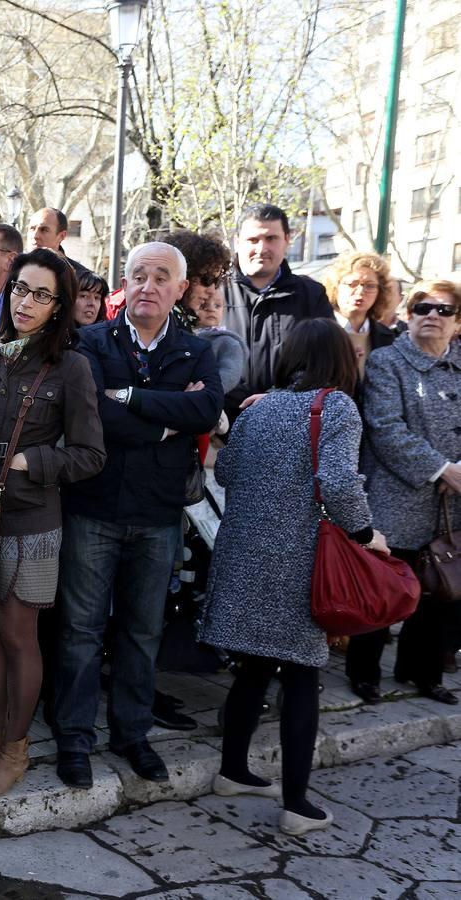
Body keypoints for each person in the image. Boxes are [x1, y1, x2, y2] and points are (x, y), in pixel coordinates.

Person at [199, 319, 386, 836]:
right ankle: (298, 805)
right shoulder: (338, 407)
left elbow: (229, 472)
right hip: (297, 561)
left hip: (243, 555)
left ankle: (233, 772)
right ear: (341, 360)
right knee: (303, 675)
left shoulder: (260, 407)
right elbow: (338, 481)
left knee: (254, 668)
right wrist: (367, 532)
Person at [53, 242, 223, 789]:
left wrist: (127, 398)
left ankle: (132, 733)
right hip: (93, 506)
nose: (148, 285)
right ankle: (74, 737)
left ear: (179, 290)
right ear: (124, 282)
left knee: (142, 630)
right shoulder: (90, 341)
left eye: (161, 277)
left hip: (158, 513)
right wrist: (165, 421)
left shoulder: (195, 351)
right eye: (138, 275)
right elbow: (92, 415)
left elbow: (206, 409)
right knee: (79, 630)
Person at [0, 248, 105, 798]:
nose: (26, 302)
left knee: (17, 633)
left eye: (41, 294)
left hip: (32, 517)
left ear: (59, 307)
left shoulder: (71, 366)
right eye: (20, 289)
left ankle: (16, 747)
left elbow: (90, 455)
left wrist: (33, 462)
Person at [347, 281, 461, 707]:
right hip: (398, 496)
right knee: (383, 589)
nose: (431, 315)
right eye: (421, 307)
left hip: (452, 507)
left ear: (457, 322)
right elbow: (385, 428)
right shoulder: (386, 361)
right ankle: (364, 673)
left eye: (443, 310)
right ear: (408, 314)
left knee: (441, 590)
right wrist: (442, 469)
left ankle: (424, 673)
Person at [222, 204, 333, 410]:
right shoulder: (214, 291)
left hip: (290, 419)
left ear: (287, 240)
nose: (262, 248)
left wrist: (278, 398)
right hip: (222, 424)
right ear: (237, 242)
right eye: (253, 240)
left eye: (271, 239)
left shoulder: (311, 294)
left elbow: (325, 360)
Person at [164, 231, 246, 396]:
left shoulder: (182, 321)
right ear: (183, 275)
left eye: (216, 282)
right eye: (206, 280)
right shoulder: (161, 320)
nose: (212, 290)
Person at [322, 250, 398, 377]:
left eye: (370, 286)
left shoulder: (388, 338)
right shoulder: (319, 331)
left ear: (380, 292)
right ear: (335, 287)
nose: (360, 291)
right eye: (352, 284)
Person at [25, 207, 93, 280]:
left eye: (44, 230)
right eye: (32, 228)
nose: (35, 236)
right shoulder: (15, 268)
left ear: (61, 236)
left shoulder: (82, 278)